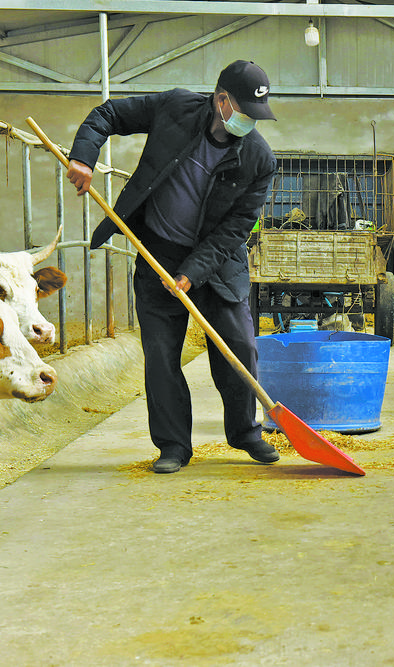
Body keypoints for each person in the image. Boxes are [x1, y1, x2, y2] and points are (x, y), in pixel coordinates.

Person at [67, 60, 280, 474]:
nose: (251, 123)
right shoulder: (175, 108)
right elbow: (108, 114)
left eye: (258, 117)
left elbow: (237, 227)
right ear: (222, 101)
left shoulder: (260, 158)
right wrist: (83, 157)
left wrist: (192, 272)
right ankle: (173, 447)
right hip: (158, 254)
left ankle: (245, 432)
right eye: (246, 113)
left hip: (217, 265)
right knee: (161, 355)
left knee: (240, 345)